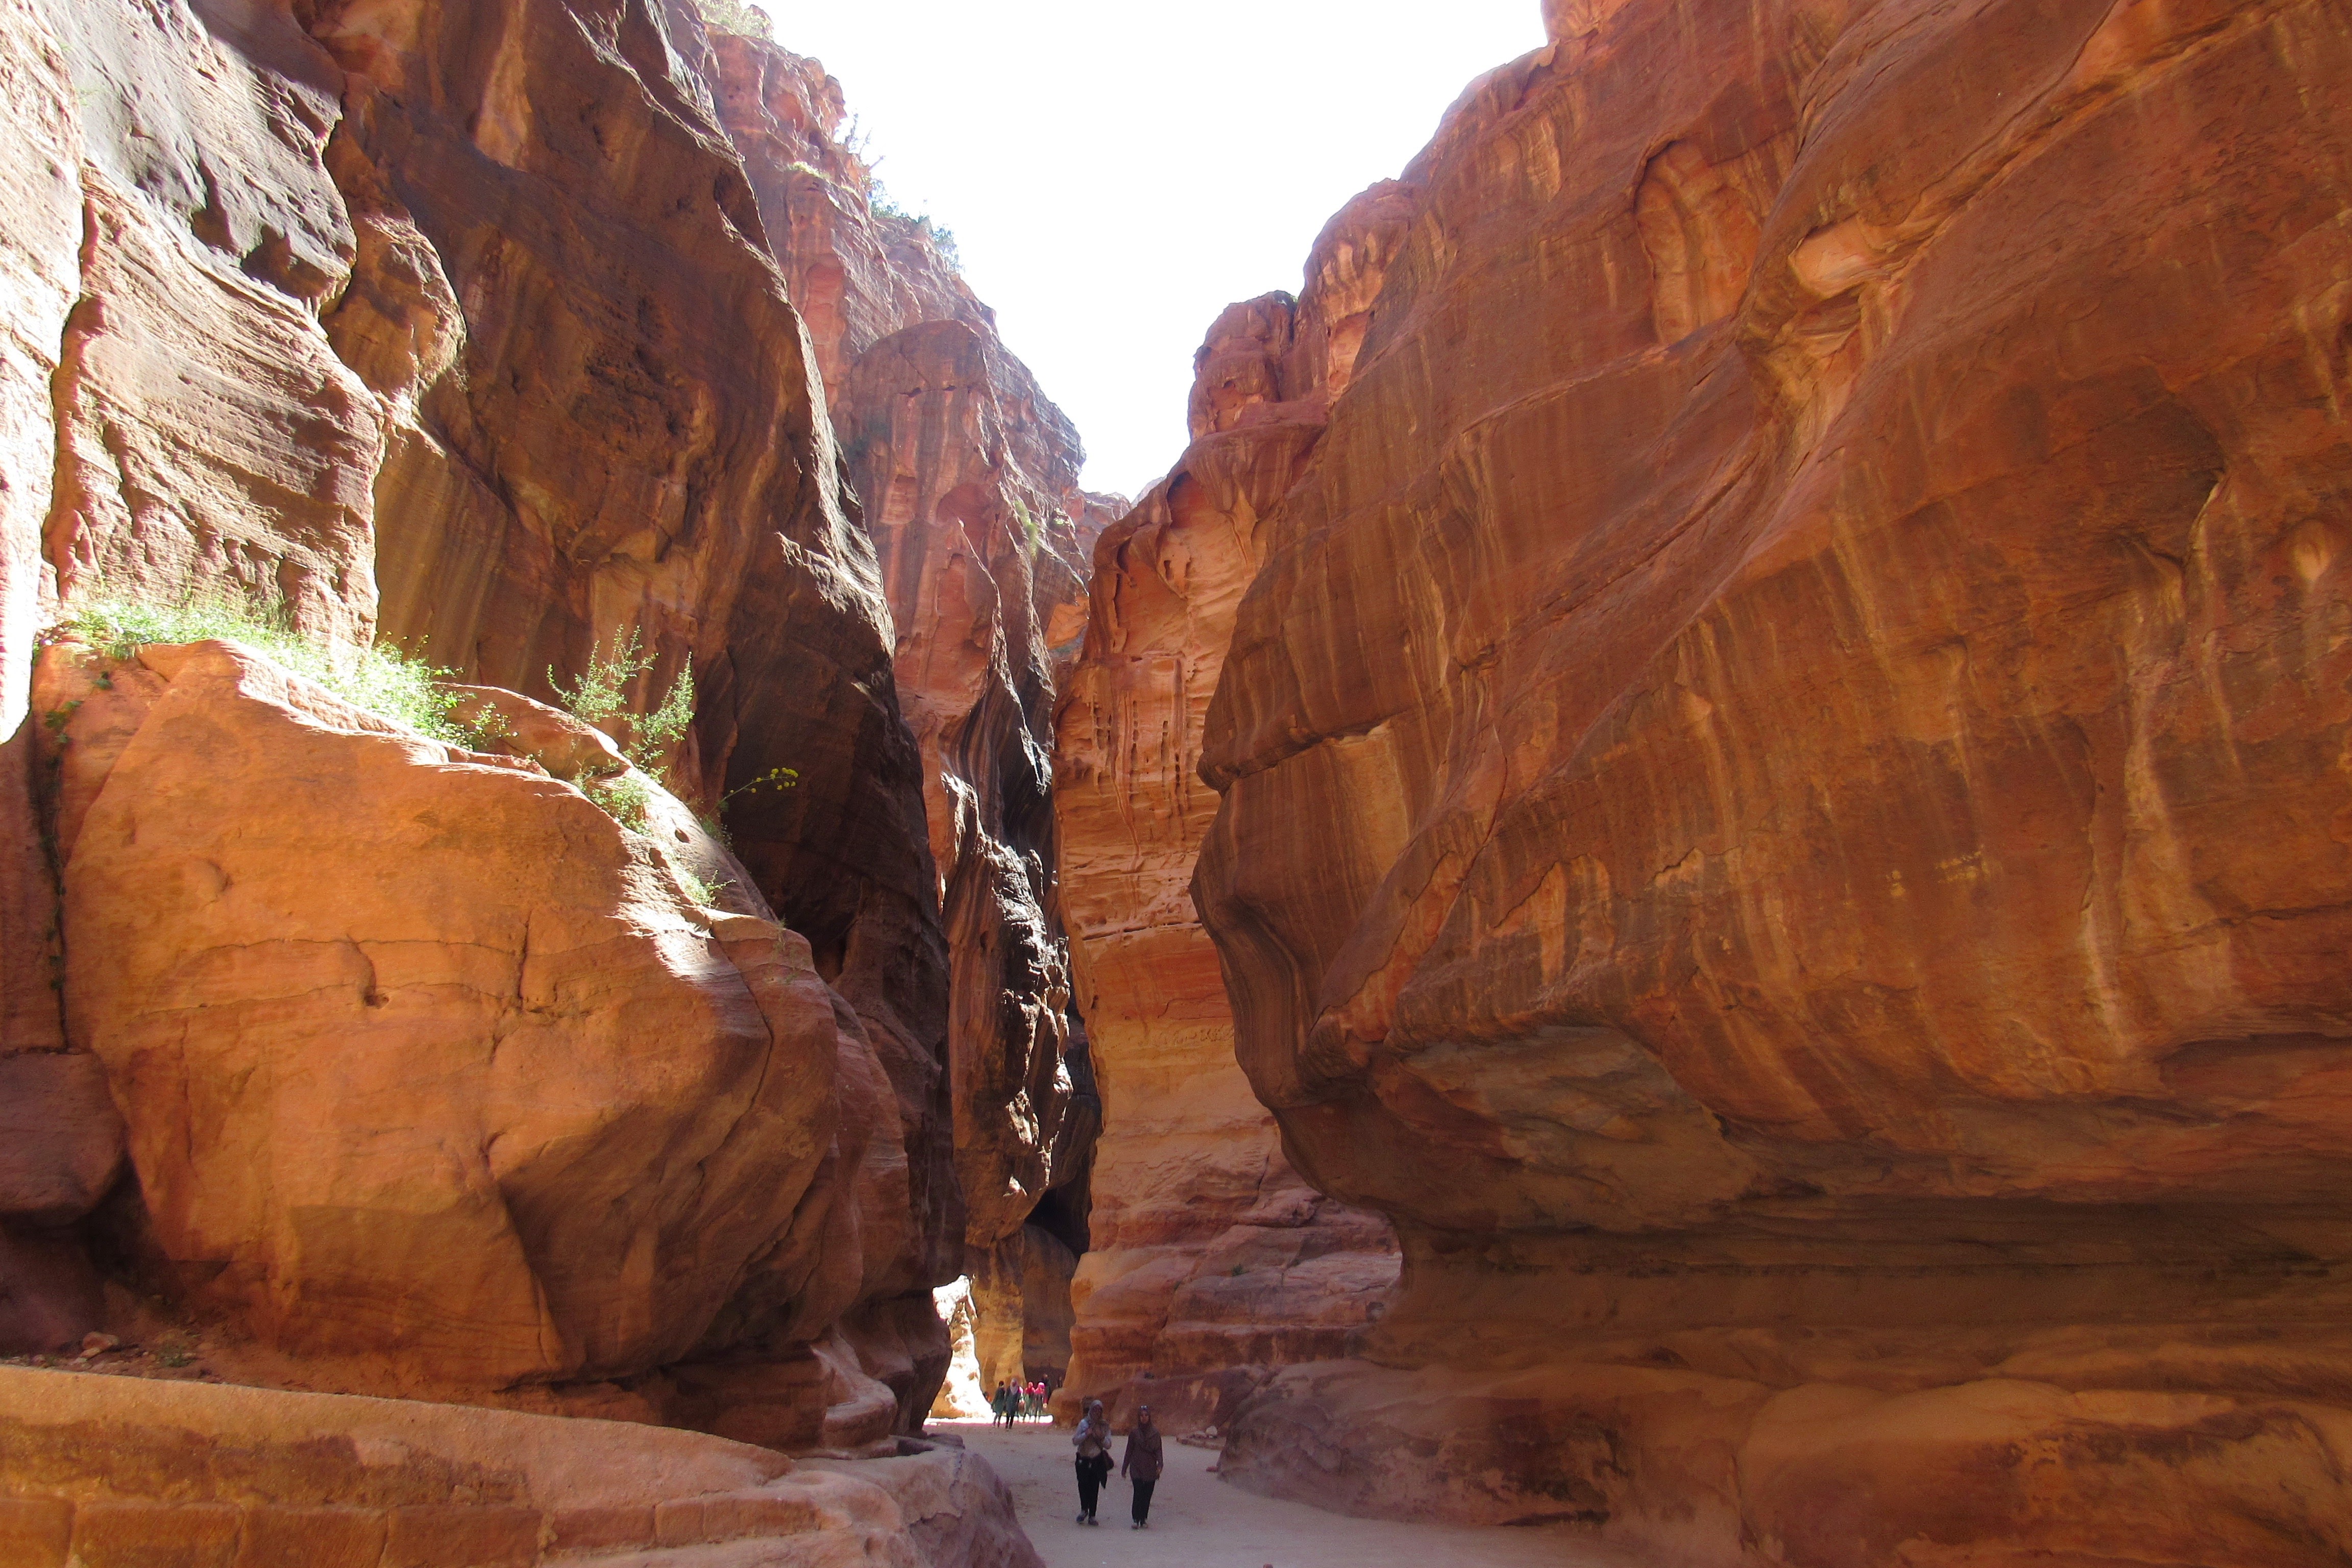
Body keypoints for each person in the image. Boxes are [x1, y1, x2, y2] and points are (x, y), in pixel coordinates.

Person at [1121, 1403, 1164, 1529]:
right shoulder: (1134, 1434)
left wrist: (1160, 1464)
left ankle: (1143, 1518)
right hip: (1137, 1467)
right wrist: (1125, 1467)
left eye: (1146, 1415)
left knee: (1147, 1494)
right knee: (1138, 1491)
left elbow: (1158, 1450)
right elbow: (1129, 1451)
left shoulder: (1155, 1434)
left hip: (1150, 1468)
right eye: (1141, 1416)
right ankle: (1136, 1518)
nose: (1144, 1418)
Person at [1071, 1399, 1113, 1525]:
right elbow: (1075, 1441)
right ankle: (1084, 1509)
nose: (1097, 1412)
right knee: (1083, 1485)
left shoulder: (1104, 1426)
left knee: (1094, 1487)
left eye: (1099, 1410)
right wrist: (1086, 1434)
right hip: (1083, 1460)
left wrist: (1101, 1437)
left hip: (1096, 1460)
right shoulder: (1084, 1424)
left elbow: (1109, 1445)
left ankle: (1092, 1515)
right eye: (1094, 1409)